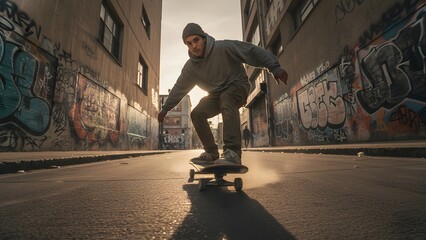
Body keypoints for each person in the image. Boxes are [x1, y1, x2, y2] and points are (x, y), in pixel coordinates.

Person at [157, 23, 288, 165]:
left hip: (237, 86)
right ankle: (211, 152)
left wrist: (274, 67)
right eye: (189, 43)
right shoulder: (191, 67)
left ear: (204, 38)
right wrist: (165, 109)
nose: (194, 46)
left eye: (196, 40)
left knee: (227, 98)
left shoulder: (223, 48)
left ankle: (232, 152)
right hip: (215, 95)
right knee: (197, 113)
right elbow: (179, 88)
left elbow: (250, 51)